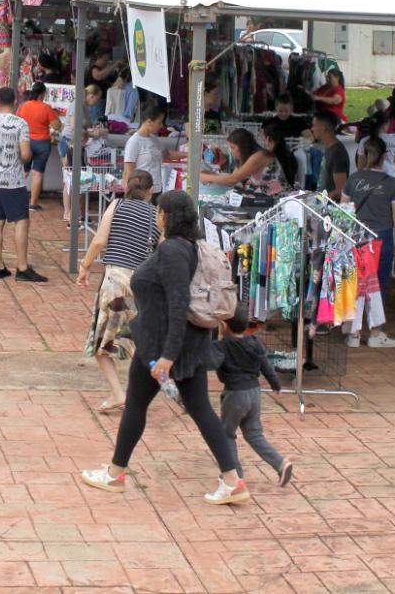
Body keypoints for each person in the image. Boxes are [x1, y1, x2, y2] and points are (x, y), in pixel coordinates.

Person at [80, 190, 250, 505]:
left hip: (163, 346)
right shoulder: (186, 247)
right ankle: (231, 480)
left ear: (164, 216)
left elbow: (178, 302)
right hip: (182, 344)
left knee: (138, 406)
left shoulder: (173, 251)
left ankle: (116, 473)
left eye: (159, 212)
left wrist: (167, 356)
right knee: (198, 410)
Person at [78, 171, 158, 412]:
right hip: (142, 284)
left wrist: (85, 266)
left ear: (126, 187)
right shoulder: (156, 215)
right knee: (140, 344)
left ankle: (117, 393)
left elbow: (99, 241)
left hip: (115, 280)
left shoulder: (116, 205)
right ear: (150, 191)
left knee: (102, 343)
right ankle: (151, 390)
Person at [215, 302, 293, 487]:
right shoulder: (255, 342)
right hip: (255, 393)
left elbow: (211, 364)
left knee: (226, 434)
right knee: (254, 434)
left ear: (224, 326)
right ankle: (281, 463)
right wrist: (275, 384)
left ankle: (234, 475)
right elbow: (266, 365)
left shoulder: (222, 346)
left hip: (235, 395)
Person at [0, 87, 45, 282]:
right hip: (12, 180)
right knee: (21, 220)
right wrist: (24, 156)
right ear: (15, 101)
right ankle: (22, 267)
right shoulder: (20, 124)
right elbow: (24, 155)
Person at [343, 135, 395, 347]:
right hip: (382, 237)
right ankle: (375, 332)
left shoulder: (353, 179)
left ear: (364, 154)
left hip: (356, 238)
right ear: (385, 155)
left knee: (355, 282)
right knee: (378, 284)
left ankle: (353, 332)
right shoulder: (392, 184)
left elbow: (344, 211)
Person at [15, 83, 61, 210]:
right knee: (37, 173)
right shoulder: (46, 108)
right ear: (43, 94)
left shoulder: (23, 106)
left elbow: (18, 122)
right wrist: (55, 115)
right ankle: (33, 203)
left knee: (23, 171)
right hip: (42, 143)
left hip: (25, 141)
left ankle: (14, 197)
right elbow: (57, 126)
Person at [200, 129, 276, 188]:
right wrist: (211, 175)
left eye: (233, 148)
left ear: (243, 146)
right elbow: (231, 177)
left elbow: (233, 180)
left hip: (279, 202)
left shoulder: (260, 156)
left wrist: (204, 176)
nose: (231, 151)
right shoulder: (244, 159)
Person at [309, 111, 350, 202]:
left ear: (323, 129)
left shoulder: (337, 153)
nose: (312, 129)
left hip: (330, 209)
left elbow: (340, 190)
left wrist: (317, 200)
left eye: (314, 125)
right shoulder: (329, 148)